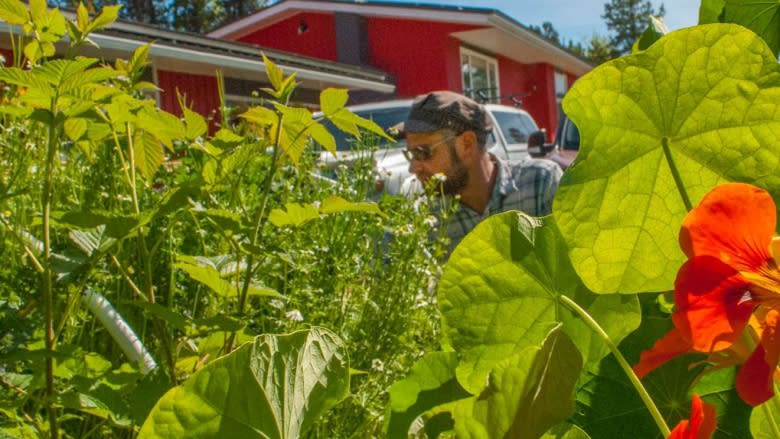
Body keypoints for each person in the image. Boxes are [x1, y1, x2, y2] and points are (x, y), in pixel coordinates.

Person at [403, 90, 562, 252]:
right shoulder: (427, 221)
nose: (413, 168)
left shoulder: (540, 183)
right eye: (409, 155)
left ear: (467, 144)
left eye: (422, 152)